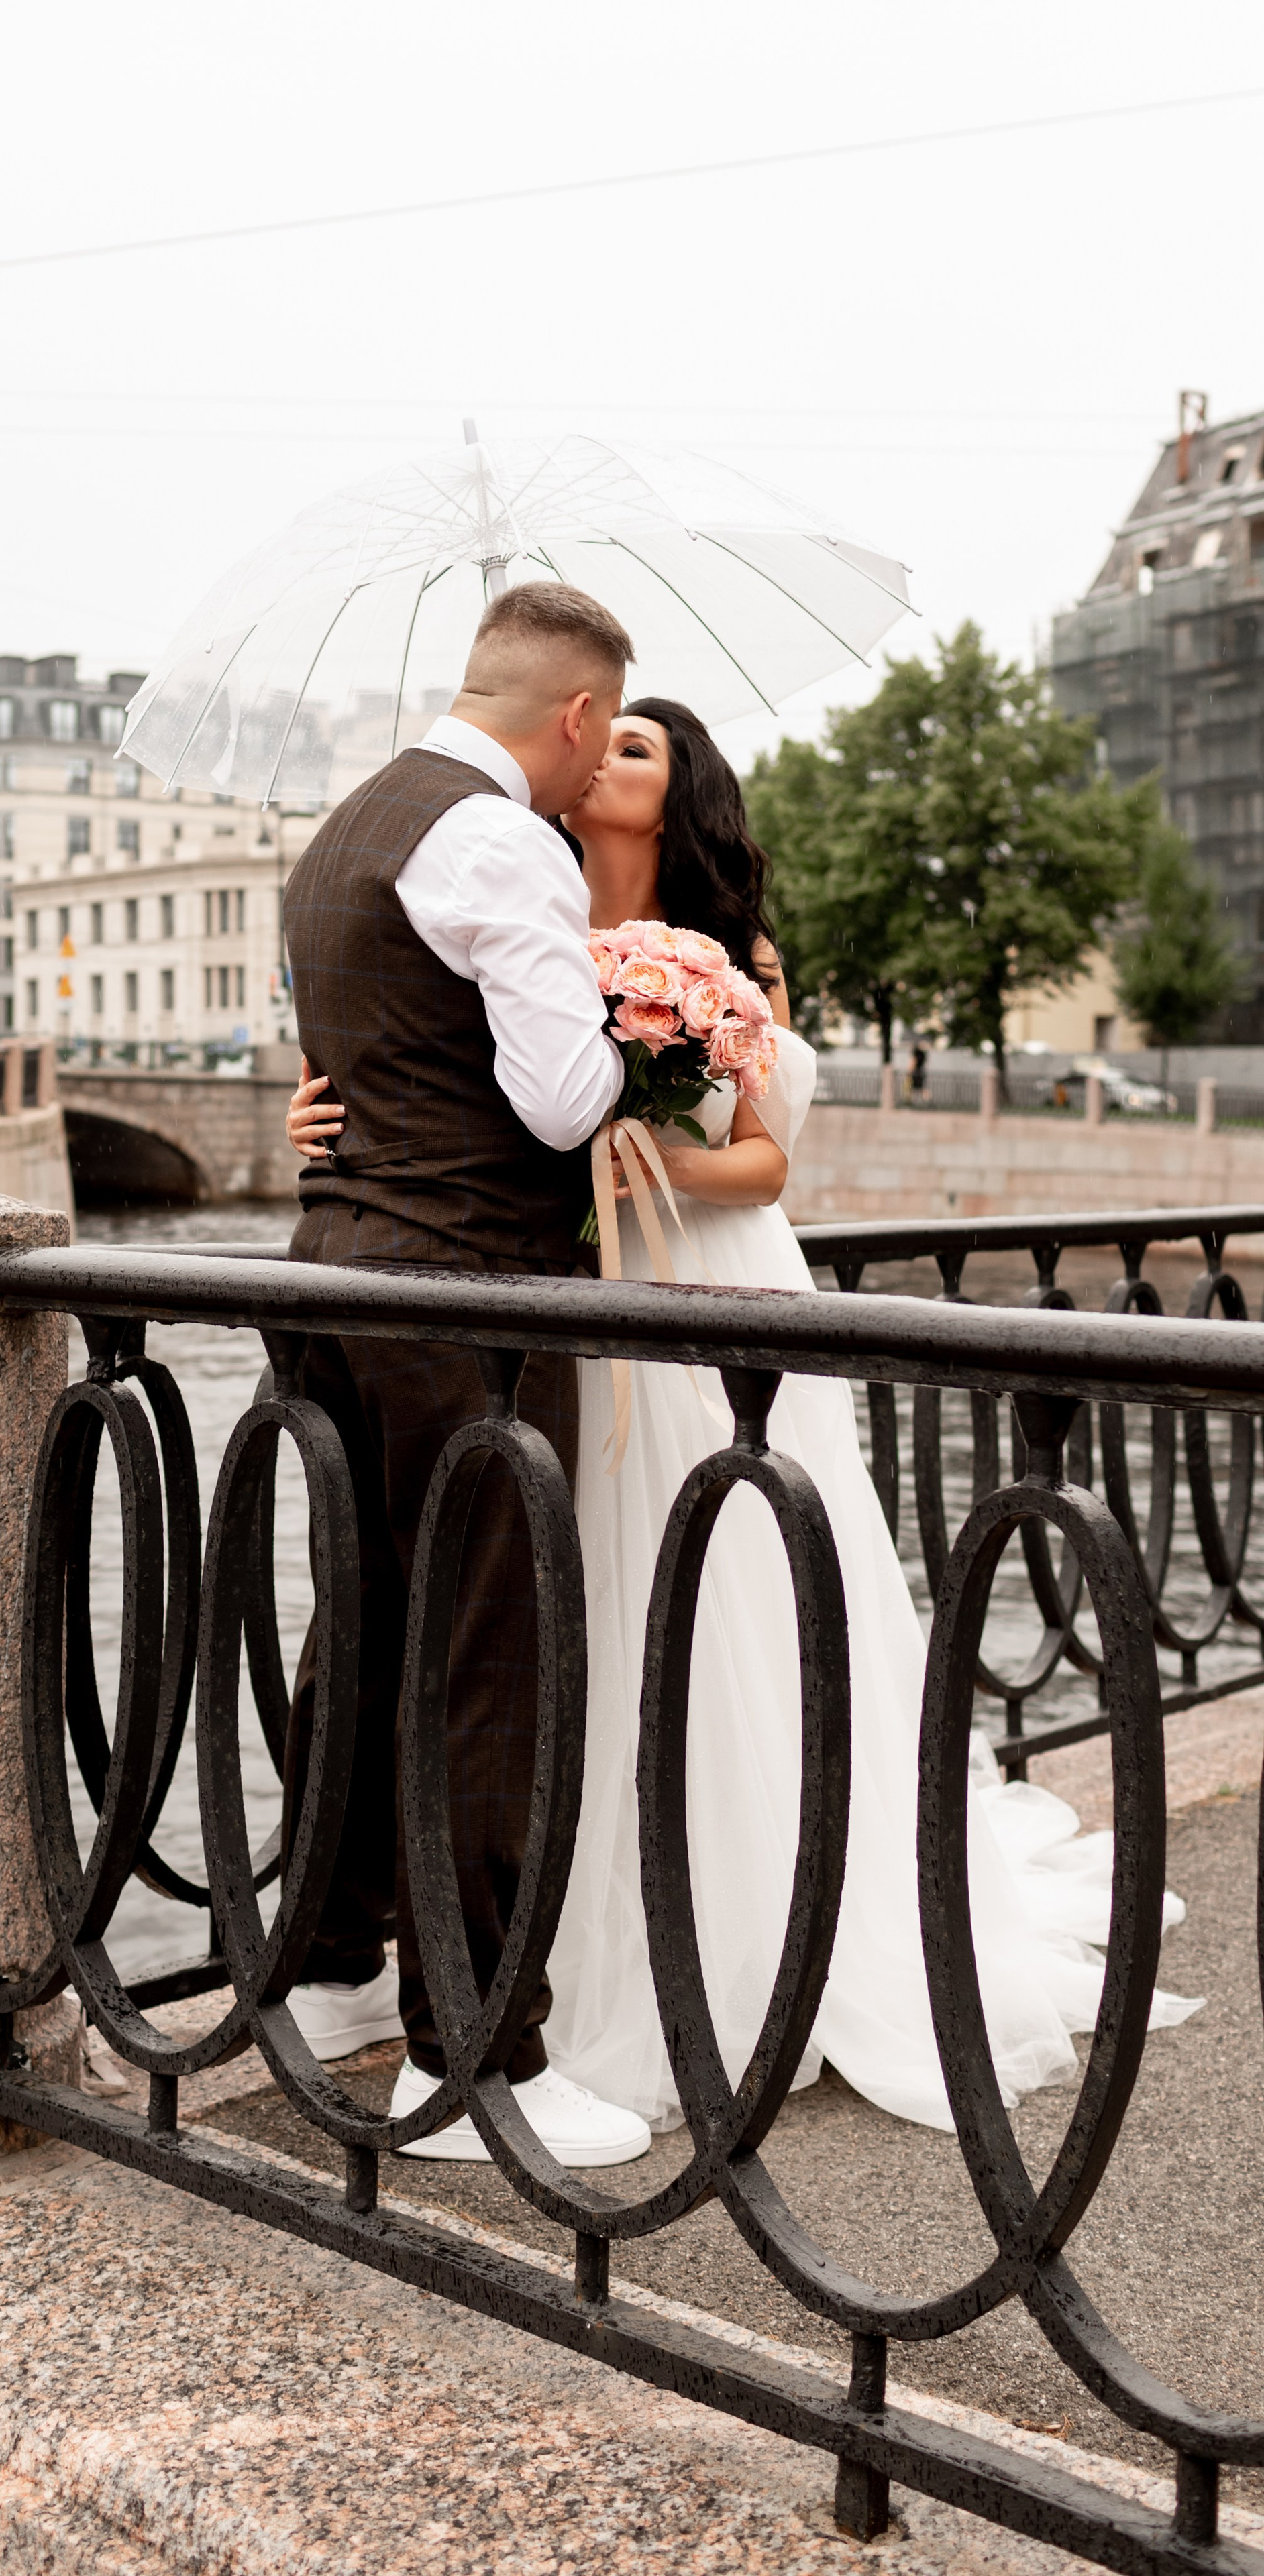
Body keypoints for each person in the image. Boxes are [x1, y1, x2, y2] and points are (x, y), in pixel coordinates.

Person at [288, 695, 1201, 2138]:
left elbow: (764, 1161)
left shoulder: (724, 955)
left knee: (711, 1592)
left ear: (672, 794)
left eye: (640, 751)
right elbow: (438, 1080)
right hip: (547, 1282)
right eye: (608, 738)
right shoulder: (491, 876)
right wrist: (322, 1114)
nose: (607, 763)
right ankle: (484, 1929)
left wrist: (645, 1145)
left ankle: (722, 1922)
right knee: (538, 1605)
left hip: (694, 1278)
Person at [278, 580, 653, 2168]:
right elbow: (564, 1101)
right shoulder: (504, 838)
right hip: (465, 1297)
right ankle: (476, 2055)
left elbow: (372, 1065)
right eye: (597, 740)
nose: (588, 777)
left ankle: (330, 1968)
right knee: (489, 1664)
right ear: (573, 715)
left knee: (355, 1634)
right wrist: (650, 1030)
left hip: (335, 1280)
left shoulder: (342, 827)